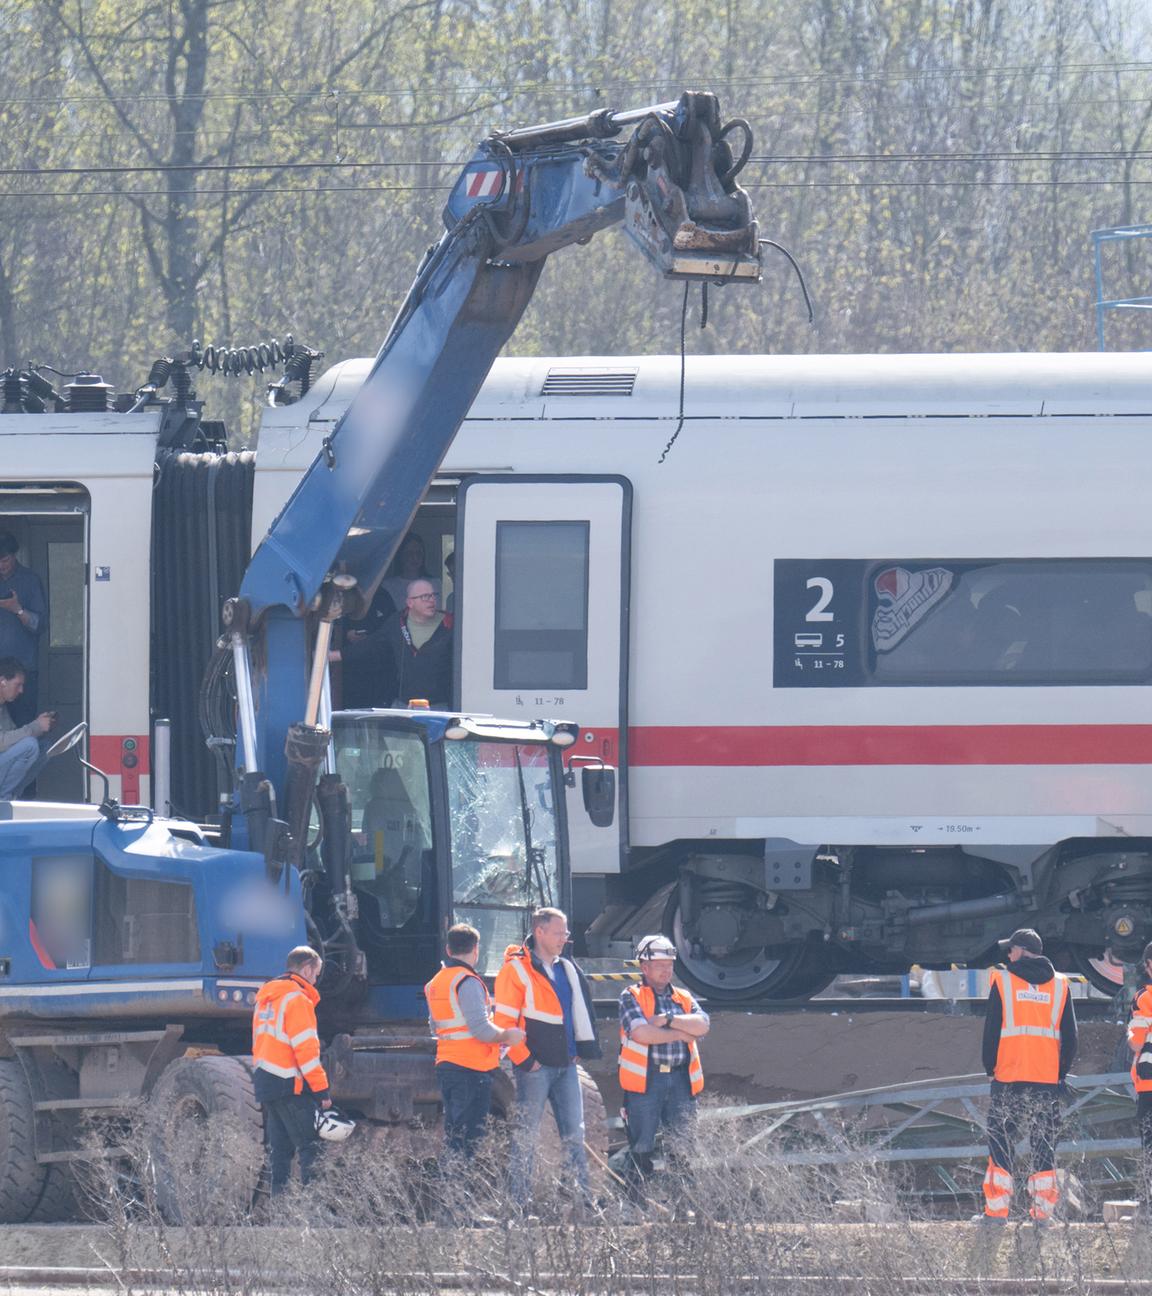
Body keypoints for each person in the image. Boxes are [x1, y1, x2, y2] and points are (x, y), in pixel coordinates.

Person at [493, 907, 601, 1206]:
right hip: (535, 1069)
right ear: (539, 932)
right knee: (526, 1136)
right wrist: (526, 1060)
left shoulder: (566, 969)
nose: (564, 939)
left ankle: (578, 1200)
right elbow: (505, 1024)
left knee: (575, 1135)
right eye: (558, 933)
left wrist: (577, 1049)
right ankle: (518, 1204)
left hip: (566, 1065)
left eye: (565, 933)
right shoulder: (515, 970)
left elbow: (576, 1014)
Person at [977, 928, 1077, 1225]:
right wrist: (1059, 1073)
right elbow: (1070, 1038)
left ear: (1021, 950)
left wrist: (989, 1067)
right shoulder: (1060, 986)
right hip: (1046, 1081)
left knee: (1001, 1143)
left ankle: (997, 1213)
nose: (1008, 955)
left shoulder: (1004, 981)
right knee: (1044, 1144)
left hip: (1008, 1077)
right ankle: (1043, 1215)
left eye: (1011, 950)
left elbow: (992, 1029)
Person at [618, 934, 709, 1195]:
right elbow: (642, 1034)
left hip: (682, 1081)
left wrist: (667, 1020)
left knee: (682, 1148)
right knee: (641, 1146)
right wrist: (682, 1031)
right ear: (644, 968)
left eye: (669, 964)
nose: (666, 970)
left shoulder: (683, 997)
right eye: (660, 965)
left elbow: (703, 1025)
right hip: (647, 1082)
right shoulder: (631, 996)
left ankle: (684, 1209)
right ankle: (635, 1207)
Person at [425, 923, 525, 1161]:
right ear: (476, 950)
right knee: (468, 1141)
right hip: (471, 1070)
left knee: (454, 1136)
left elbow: (434, 1026)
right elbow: (480, 1029)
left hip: (448, 1066)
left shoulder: (435, 983)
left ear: (448, 950)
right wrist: (507, 1036)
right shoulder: (467, 982)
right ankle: (457, 1194)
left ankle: (452, 1190)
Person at [252, 945, 332, 1194]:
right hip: (290, 1083)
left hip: (267, 1081)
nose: (316, 980)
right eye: (316, 974)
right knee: (312, 1147)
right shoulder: (297, 999)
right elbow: (306, 1052)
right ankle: (314, 1210)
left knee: (280, 1151)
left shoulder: (266, 999)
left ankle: (281, 1209)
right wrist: (322, 1092)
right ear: (307, 970)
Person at [381, 579, 453, 708]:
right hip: (402, 705)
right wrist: (335, 655)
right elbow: (372, 645)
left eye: (433, 595)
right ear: (410, 602)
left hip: (439, 706)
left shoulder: (450, 624)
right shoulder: (397, 622)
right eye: (425, 597)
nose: (432, 600)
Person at [0, 533, 46, 728]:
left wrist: (17, 609)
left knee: (24, 727)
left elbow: (40, 625)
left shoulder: (30, 580)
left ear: (14, 555)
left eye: (5, 560)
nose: (1, 566)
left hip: (22, 672)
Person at [0, 657, 55, 799]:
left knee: (44, 747)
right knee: (29, 745)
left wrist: (40, 729)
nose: (21, 690)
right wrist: (35, 727)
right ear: (3, 681)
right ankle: (2, 798)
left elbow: (11, 737)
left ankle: (12, 795)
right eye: (17, 685)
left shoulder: (3, 706)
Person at [1127, 942, 1152, 1206]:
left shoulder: (1144, 997)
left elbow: (1136, 1042)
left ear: (1148, 965)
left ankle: (1148, 1202)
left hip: (1150, 1085)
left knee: (1150, 1147)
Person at [379, 533, 440, 613]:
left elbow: (437, 613)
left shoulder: (434, 583)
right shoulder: (388, 585)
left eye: (418, 553)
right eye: (409, 553)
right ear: (400, 555)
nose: (414, 558)